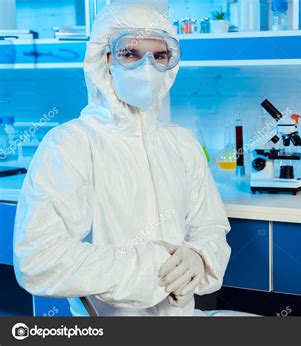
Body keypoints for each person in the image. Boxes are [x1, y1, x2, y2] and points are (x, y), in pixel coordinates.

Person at [13, 3, 232, 316]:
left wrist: (199, 256)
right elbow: (39, 259)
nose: (147, 68)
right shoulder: (70, 144)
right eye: (130, 54)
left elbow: (210, 228)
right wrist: (154, 267)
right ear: (104, 60)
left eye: (159, 56)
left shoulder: (182, 143)